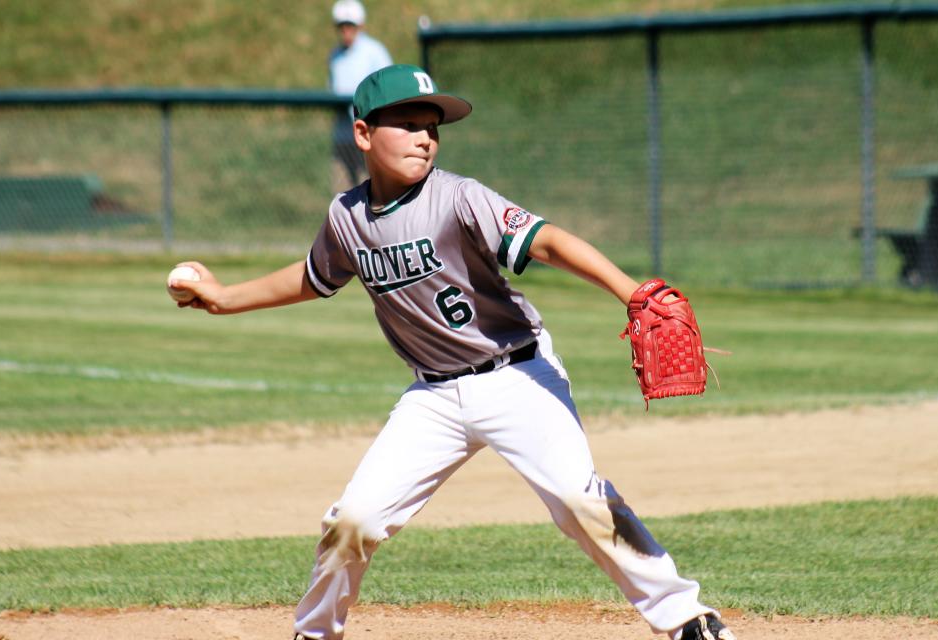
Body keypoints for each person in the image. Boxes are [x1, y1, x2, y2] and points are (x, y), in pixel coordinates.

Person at [170, 64, 736, 640]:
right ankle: (314, 632)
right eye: (408, 124)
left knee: (577, 499)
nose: (425, 137)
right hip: (434, 396)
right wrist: (223, 299)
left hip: (518, 376)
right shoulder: (346, 217)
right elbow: (314, 277)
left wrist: (632, 291)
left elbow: (547, 240)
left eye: (433, 127)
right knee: (353, 522)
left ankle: (687, 618)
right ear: (363, 134)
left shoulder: (459, 198)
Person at [328, 0, 392, 191]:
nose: (346, 30)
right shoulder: (335, 56)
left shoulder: (374, 52)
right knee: (342, 192)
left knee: (370, 188)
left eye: (350, 26)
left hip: (368, 134)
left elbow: (386, 89)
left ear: (360, 26)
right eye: (342, 26)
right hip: (343, 134)